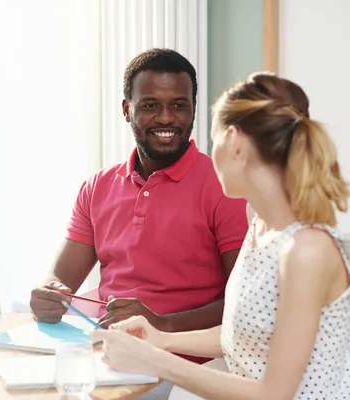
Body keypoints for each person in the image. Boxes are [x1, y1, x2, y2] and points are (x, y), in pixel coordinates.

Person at [93, 73, 350, 400]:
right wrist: (160, 339)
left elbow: (273, 395)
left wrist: (155, 360)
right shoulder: (258, 224)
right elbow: (243, 335)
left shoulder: (307, 251)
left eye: (214, 143)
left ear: (234, 143)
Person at [30, 49, 247, 346]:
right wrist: (47, 295)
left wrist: (161, 325)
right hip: (104, 350)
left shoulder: (226, 186)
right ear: (126, 109)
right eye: (150, 105)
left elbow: (243, 303)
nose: (166, 118)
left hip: (183, 360)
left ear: (194, 109)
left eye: (179, 105)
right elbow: (60, 279)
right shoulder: (97, 187)